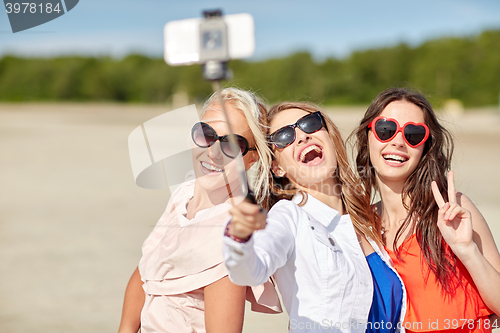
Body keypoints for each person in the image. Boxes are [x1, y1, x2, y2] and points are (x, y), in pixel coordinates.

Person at [223, 102, 406, 333]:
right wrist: (239, 237)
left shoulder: (368, 221)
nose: (301, 137)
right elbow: (251, 268)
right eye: (284, 136)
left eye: (310, 124)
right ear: (277, 167)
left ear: (329, 137)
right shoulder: (289, 216)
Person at [118, 87, 281, 333]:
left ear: (254, 157)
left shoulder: (230, 235)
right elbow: (147, 269)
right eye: (206, 134)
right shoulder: (184, 194)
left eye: (233, 144)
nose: (213, 153)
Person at [352, 87, 500, 332]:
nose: (398, 141)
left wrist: (467, 250)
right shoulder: (360, 225)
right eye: (385, 130)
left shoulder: (453, 211)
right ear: (368, 136)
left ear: (424, 148)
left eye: (413, 134)